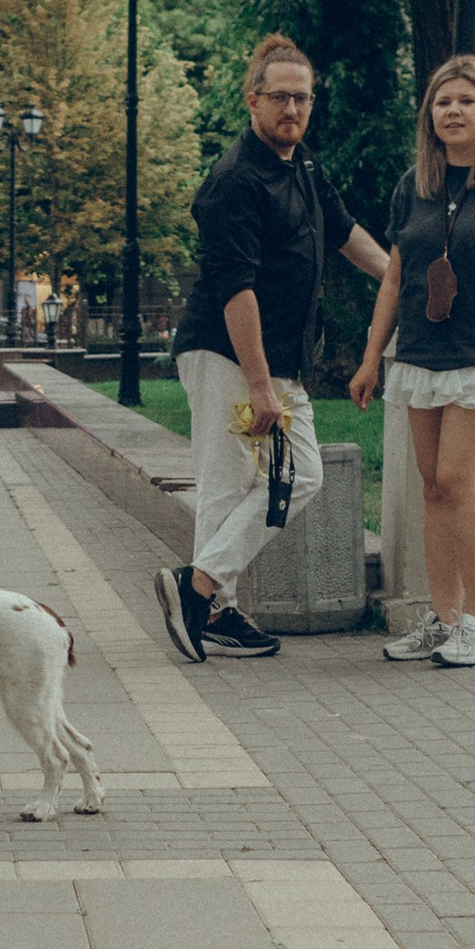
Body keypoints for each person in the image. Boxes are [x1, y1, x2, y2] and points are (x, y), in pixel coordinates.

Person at [154, 35, 394, 662]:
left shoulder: (303, 164)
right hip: (228, 354)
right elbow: (237, 290)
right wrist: (260, 384)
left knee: (255, 482)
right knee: (266, 478)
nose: (293, 109)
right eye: (281, 97)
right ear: (253, 101)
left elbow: (345, 235)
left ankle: (206, 599)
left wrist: (402, 275)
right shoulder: (234, 181)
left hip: (275, 358)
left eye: (303, 98)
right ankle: (204, 594)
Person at [351, 53, 475, 670]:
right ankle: (442, 621)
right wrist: (370, 360)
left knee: (461, 482)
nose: (453, 111)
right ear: (430, 115)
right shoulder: (415, 184)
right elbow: (394, 279)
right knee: (434, 488)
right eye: (442, 102)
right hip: (422, 354)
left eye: (465, 100)